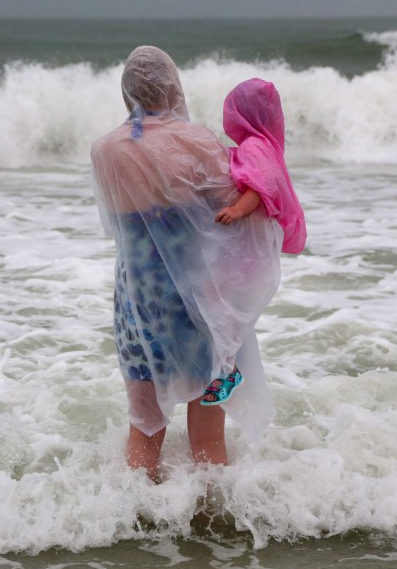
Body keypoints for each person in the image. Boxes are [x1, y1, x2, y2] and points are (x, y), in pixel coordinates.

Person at [90, 47, 282, 482]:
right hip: (195, 300)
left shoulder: (103, 150)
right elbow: (230, 210)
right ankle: (212, 527)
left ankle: (134, 522)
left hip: (135, 302)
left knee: (144, 427)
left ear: (128, 93)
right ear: (173, 86)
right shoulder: (195, 141)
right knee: (208, 435)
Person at [203, 78, 308, 405]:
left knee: (221, 302)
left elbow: (259, 188)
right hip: (257, 246)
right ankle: (225, 367)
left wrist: (237, 210)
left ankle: (227, 370)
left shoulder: (254, 147)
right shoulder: (265, 147)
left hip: (251, 245)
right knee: (228, 307)